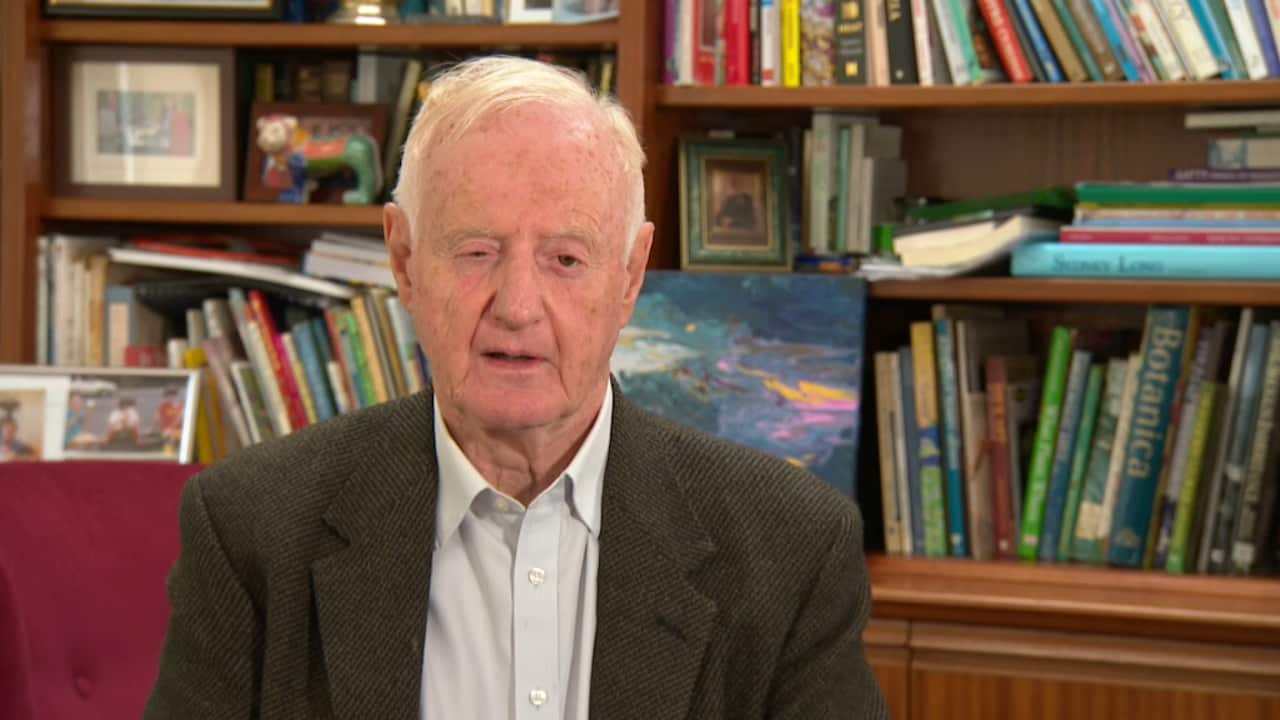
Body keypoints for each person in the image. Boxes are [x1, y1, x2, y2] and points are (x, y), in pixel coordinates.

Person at [146, 56, 885, 719]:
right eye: (475, 252)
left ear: (629, 275)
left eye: (566, 258)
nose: (518, 305)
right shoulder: (252, 529)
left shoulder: (790, 546)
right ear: (404, 260)